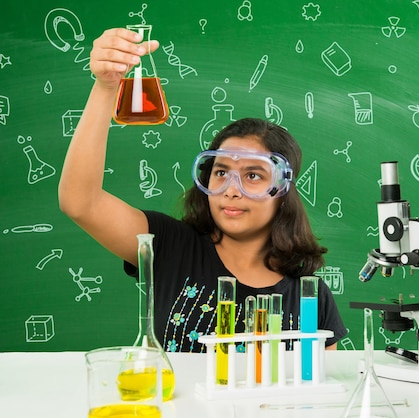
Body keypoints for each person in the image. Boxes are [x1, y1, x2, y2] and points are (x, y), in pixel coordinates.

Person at [58, 27, 347, 353]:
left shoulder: (309, 294)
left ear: (281, 189)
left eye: (253, 176)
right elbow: (80, 202)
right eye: (221, 172)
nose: (231, 190)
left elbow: (322, 388)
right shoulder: (168, 245)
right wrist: (106, 86)